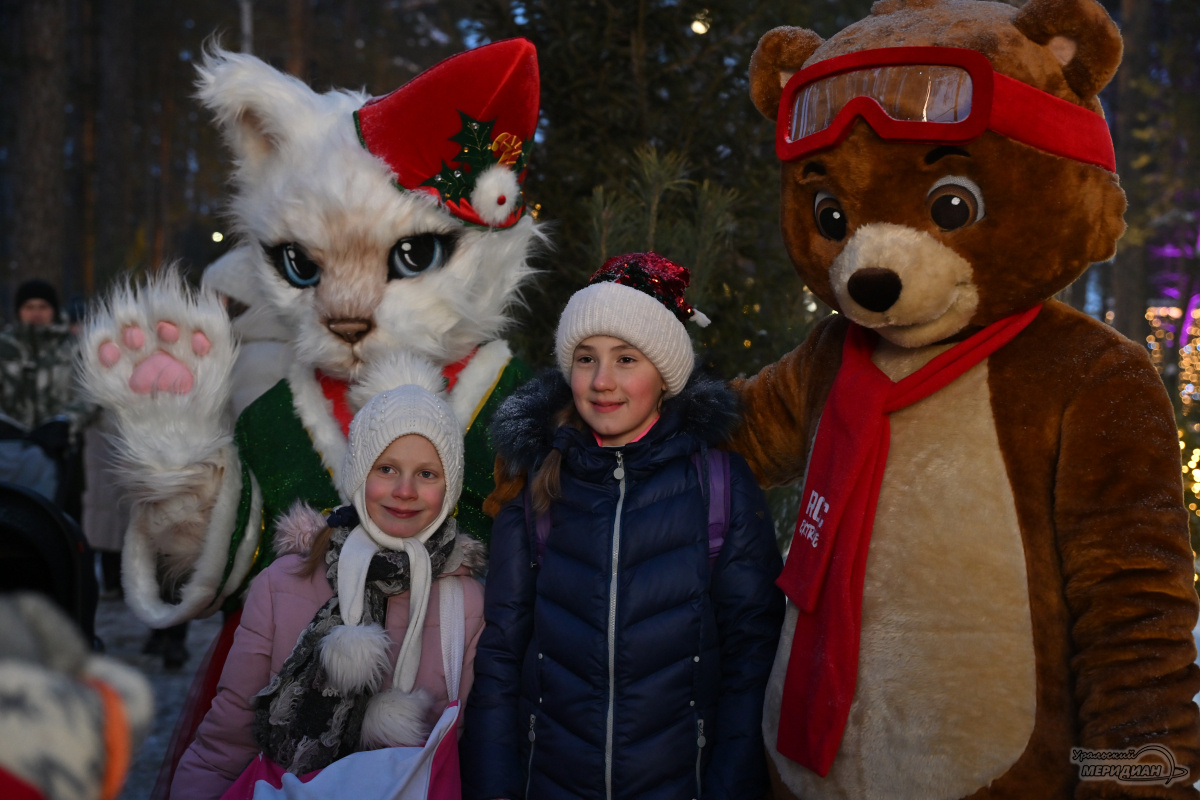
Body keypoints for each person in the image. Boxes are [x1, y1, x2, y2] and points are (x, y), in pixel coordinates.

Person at [461, 253, 785, 800]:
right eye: (586, 359)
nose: (602, 381)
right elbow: (500, 659)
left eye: (627, 359)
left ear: (664, 376)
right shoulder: (539, 486)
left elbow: (754, 660)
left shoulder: (719, 488)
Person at [170, 357, 486, 800]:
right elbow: (226, 741)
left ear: (448, 490)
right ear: (359, 476)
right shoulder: (281, 586)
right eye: (387, 469)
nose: (405, 491)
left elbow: (473, 751)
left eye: (427, 474)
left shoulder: (465, 602)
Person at [0, 279, 95, 512]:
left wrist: (65, 422)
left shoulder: (75, 348)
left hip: (63, 453)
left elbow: (91, 394)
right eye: (29, 307)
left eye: (43, 307)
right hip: (6, 453)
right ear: (19, 311)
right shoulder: (4, 347)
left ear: (54, 310)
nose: (36, 313)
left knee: (58, 526)